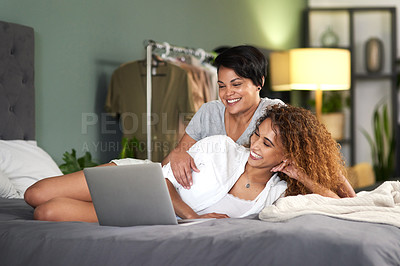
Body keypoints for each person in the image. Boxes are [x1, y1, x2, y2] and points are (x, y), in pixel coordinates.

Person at [24, 105, 355, 222]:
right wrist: (192, 216)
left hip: (149, 217)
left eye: (267, 144)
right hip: (140, 181)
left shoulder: (277, 194)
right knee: (35, 194)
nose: (254, 145)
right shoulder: (220, 148)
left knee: (47, 212)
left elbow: (340, 205)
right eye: (257, 135)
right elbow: (162, 180)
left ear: (287, 156)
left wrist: (302, 175)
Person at [162, 45, 284, 189]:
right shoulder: (209, 112)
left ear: (259, 83)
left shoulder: (274, 113)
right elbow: (170, 162)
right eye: (221, 86)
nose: (227, 93)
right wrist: (179, 154)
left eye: (236, 84)